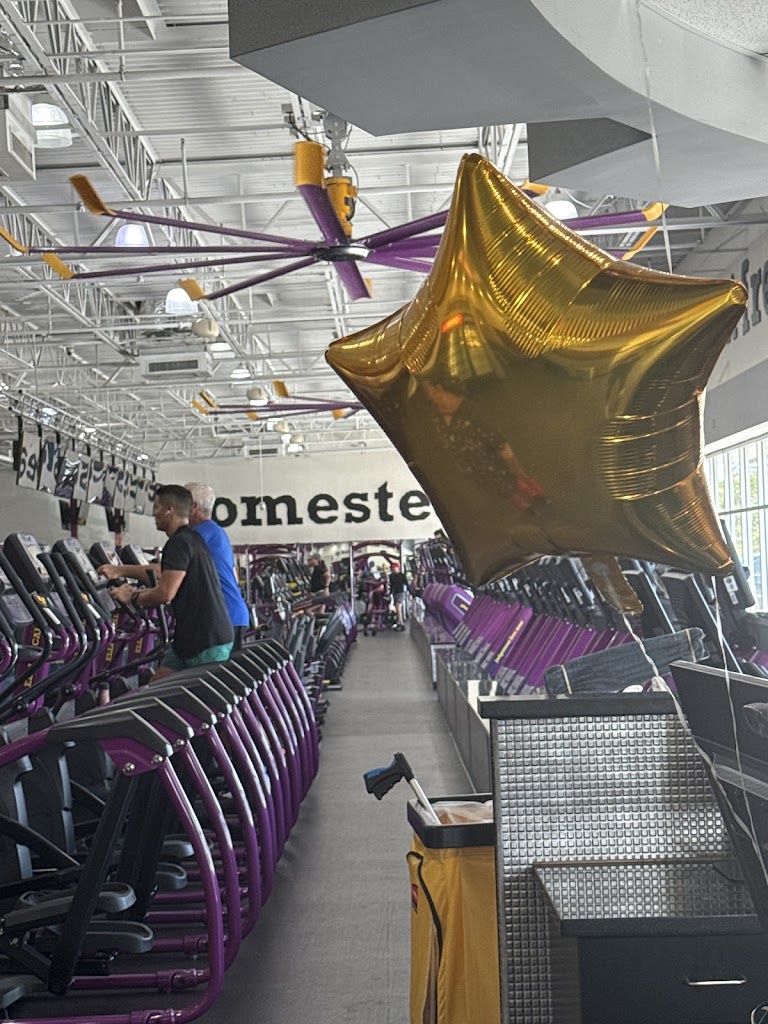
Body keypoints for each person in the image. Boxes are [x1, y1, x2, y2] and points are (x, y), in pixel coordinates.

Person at [99, 483, 233, 679]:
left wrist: (132, 597)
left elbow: (165, 593)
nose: (154, 513)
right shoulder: (191, 538)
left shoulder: (179, 543)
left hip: (206, 640)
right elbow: (166, 580)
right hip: (188, 639)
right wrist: (134, 589)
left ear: (170, 511)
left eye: (157, 507)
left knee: (198, 697)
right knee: (154, 687)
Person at [185, 481, 251, 649]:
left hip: (223, 616)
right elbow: (234, 575)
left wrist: (123, 571)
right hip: (233, 613)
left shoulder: (199, 534)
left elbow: (173, 570)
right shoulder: (216, 531)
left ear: (194, 506)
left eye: (182, 500)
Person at [388, 560, 408, 630]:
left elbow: (407, 584)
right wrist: (390, 593)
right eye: (392, 568)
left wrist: (411, 593)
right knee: (397, 608)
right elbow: (392, 585)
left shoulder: (402, 575)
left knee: (398, 606)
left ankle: (401, 622)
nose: (393, 569)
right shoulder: (391, 576)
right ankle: (399, 622)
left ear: (398, 568)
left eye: (394, 568)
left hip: (401, 592)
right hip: (395, 593)